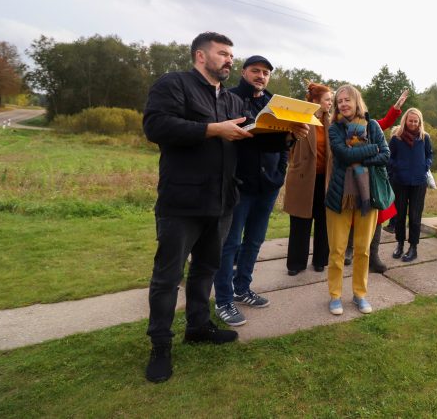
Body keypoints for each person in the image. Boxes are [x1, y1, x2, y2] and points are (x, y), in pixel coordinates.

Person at [142, 32, 306, 383]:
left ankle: (199, 326)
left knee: (206, 269)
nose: (229, 60)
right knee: (168, 277)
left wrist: (290, 134)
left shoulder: (231, 102)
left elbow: (252, 137)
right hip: (182, 201)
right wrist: (213, 129)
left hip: (222, 201)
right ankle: (160, 345)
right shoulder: (174, 85)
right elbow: (155, 126)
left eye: (231, 55)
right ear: (200, 56)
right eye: (223, 54)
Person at [213, 55, 289, 327]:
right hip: (239, 184)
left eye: (266, 72)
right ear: (244, 72)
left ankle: (242, 288)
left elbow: (284, 140)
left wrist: (281, 173)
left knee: (254, 241)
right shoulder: (229, 98)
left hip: (268, 184)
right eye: (255, 71)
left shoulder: (273, 103)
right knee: (230, 244)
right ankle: (223, 300)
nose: (261, 76)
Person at [324, 85, 390, 316]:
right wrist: (371, 150)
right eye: (339, 101)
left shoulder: (372, 126)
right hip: (339, 197)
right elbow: (344, 155)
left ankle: (360, 294)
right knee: (337, 250)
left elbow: (386, 155)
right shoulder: (334, 129)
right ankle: (335, 295)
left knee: (362, 250)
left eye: (347, 100)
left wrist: (366, 158)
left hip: (367, 196)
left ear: (356, 102)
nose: (342, 104)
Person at [344, 88, 408, 273]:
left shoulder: (371, 125)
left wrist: (396, 107)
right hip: (351, 180)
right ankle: (349, 249)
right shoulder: (340, 126)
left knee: (377, 217)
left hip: (372, 180)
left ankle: (374, 256)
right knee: (351, 212)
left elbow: (386, 124)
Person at [283, 81, 332, 276]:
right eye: (328, 100)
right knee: (300, 222)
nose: (331, 103)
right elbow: (286, 143)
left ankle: (320, 260)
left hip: (324, 179)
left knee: (324, 221)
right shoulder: (299, 118)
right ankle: (296, 263)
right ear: (315, 101)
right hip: (303, 177)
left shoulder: (332, 121)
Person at [389, 107, 432, 262]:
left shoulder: (425, 137)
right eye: (411, 120)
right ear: (405, 120)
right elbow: (389, 157)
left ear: (419, 122)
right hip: (400, 181)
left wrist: (425, 167)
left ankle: (413, 247)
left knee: (414, 217)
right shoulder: (396, 138)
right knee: (400, 216)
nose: (413, 123)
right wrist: (395, 169)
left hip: (419, 183)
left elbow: (429, 154)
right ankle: (399, 244)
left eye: (416, 121)